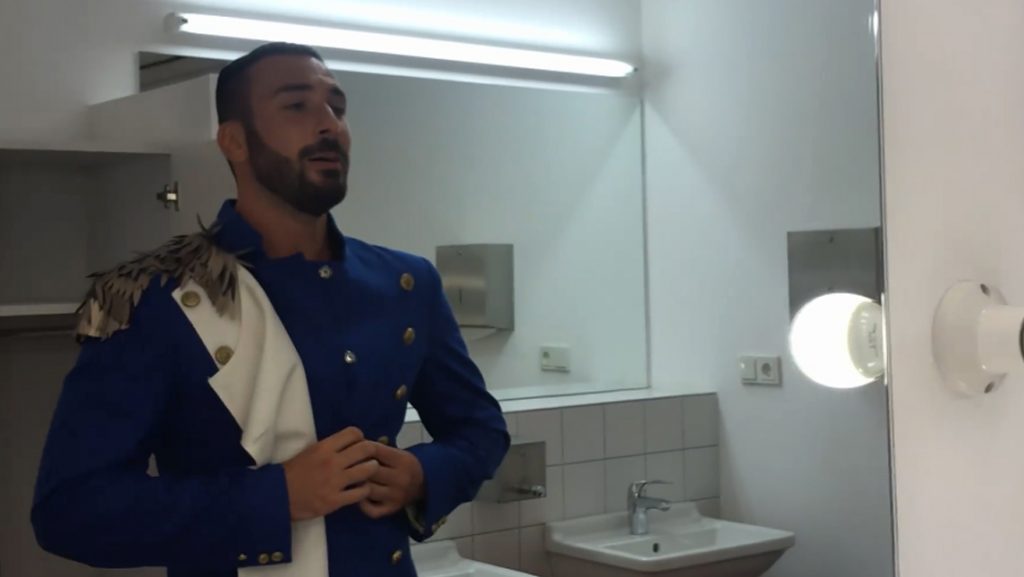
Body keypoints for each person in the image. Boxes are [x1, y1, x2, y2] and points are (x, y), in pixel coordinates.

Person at [31, 42, 510, 577]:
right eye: (296, 105)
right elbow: (71, 510)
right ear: (234, 141)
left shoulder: (406, 284)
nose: (329, 124)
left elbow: (480, 431)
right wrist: (276, 496)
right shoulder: (157, 299)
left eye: (337, 107)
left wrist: (422, 475)